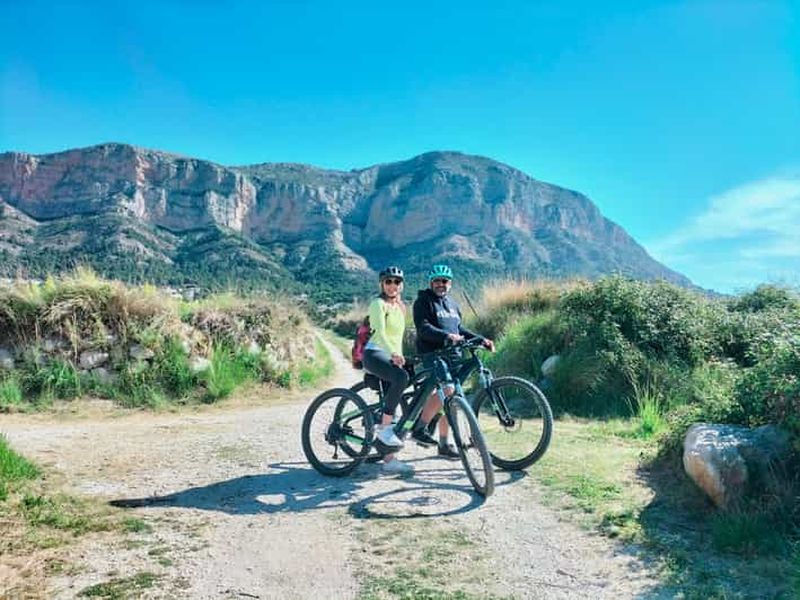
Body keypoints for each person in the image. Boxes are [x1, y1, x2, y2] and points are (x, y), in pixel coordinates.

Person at [412, 264, 495, 458]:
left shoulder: (452, 304)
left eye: (445, 281)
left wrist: (481, 339)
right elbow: (423, 328)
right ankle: (419, 428)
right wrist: (446, 336)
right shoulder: (423, 301)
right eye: (437, 281)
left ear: (450, 283)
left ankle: (444, 444)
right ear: (431, 282)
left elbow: (460, 329)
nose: (441, 284)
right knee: (448, 390)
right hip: (432, 354)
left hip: (453, 355)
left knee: (452, 396)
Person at [361, 266, 414, 476]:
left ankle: (389, 461)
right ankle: (384, 430)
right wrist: (393, 354)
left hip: (391, 355)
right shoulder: (378, 304)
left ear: (402, 285)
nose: (393, 285)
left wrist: (400, 356)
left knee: (409, 382)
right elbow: (381, 333)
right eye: (388, 282)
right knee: (401, 377)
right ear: (382, 284)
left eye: (397, 282)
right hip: (375, 353)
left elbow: (398, 338)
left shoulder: (401, 307)